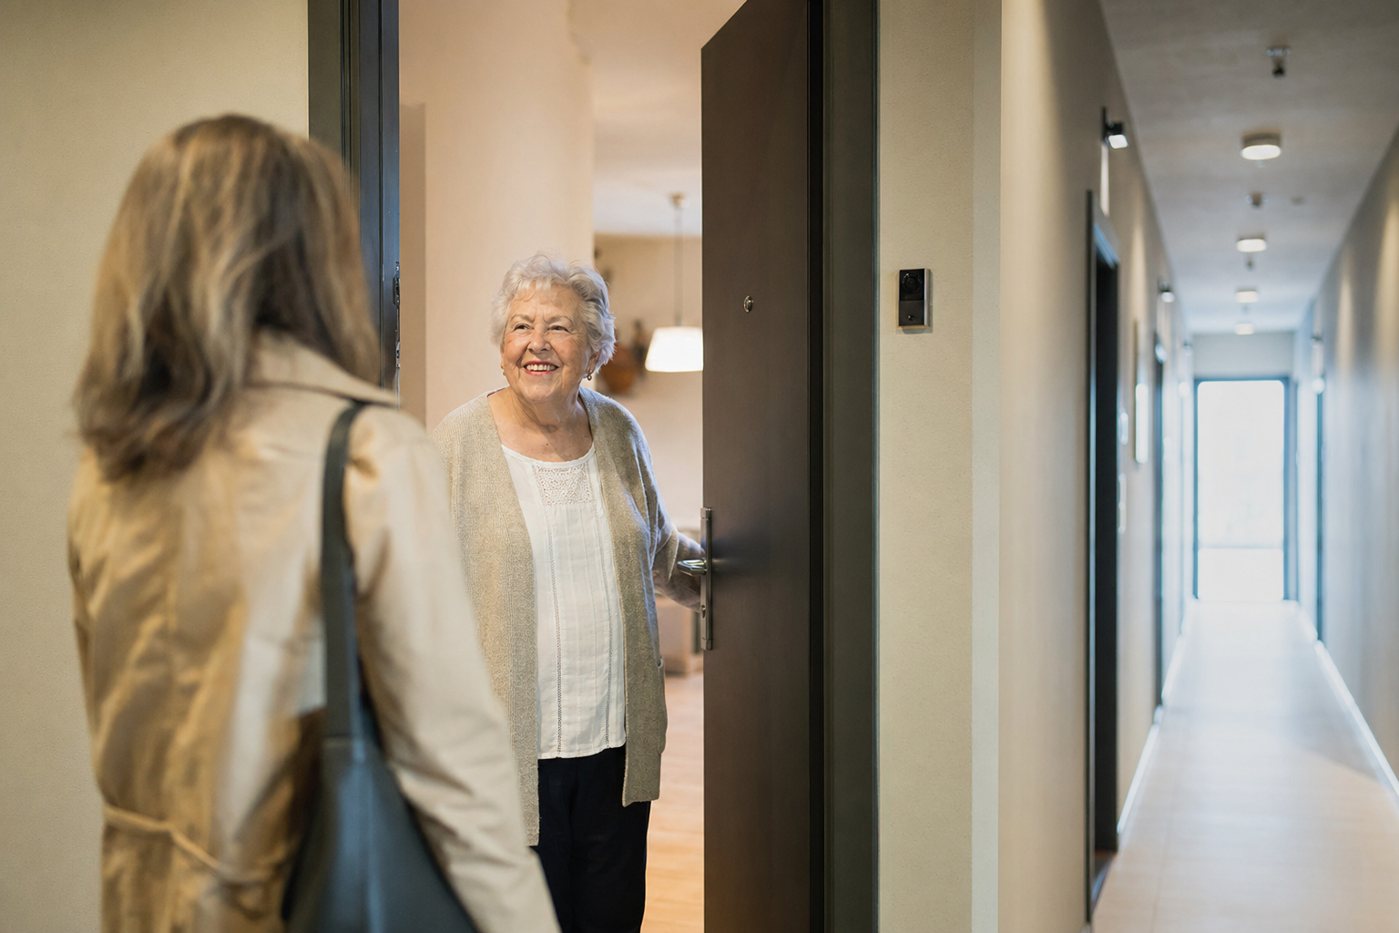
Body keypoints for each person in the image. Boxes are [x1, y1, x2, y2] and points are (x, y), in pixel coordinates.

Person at [67, 115, 558, 933]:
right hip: (293, 903)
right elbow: (455, 768)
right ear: (310, 257)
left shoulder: (111, 461)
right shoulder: (365, 452)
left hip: (142, 899)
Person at [432, 255, 701, 932]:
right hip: (505, 758)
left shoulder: (616, 431)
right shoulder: (456, 445)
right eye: (520, 326)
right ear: (501, 347)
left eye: (558, 327)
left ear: (595, 349)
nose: (536, 343)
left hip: (612, 747)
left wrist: (752, 578)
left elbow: (661, 548)